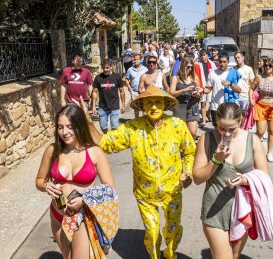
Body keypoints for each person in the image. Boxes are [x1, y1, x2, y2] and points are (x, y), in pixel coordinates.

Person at [75, 86, 196, 259]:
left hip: (173, 191)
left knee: (173, 228)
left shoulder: (177, 125)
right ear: (143, 106)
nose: (153, 107)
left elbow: (190, 151)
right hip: (144, 194)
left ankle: (170, 253)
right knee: (152, 232)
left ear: (164, 104)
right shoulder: (132, 128)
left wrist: (188, 172)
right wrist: (87, 120)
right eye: (149, 103)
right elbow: (104, 142)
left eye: (157, 102)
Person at [35, 104, 116, 258]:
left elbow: (110, 187)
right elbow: (39, 180)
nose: (64, 132)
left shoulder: (94, 152)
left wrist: (85, 199)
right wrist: (46, 186)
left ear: (79, 125)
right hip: (58, 215)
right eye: (60, 127)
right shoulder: (52, 151)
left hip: (82, 216)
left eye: (70, 127)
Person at [192, 102, 268, 258]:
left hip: (243, 210)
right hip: (215, 211)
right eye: (222, 128)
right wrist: (216, 159)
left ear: (240, 121)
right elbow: (197, 178)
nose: (226, 134)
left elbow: (264, 177)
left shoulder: (252, 140)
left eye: (231, 129)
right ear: (216, 123)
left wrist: (245, 180)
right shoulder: (207, 139)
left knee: (234, 255)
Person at [249, 59, 273, 162]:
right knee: (260, 131)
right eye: (266, 65)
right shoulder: (259, 77)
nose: (267, 67)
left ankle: (269, 153)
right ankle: (251, 147)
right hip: (261, 106)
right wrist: (251, 99)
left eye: (270, 65)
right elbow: (251, 89)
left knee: (272, 131)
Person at [203, 53, 241, 127]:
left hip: (229, 107)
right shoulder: (212, 74)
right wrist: (202, 90)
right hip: (215, 106)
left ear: (228, 62)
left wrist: (230, 84)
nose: (222, 64)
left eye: (224, 62)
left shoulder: (233, 73)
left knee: (229, 129)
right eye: (220, 62)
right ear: (218, 61)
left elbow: (239, 90)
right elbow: (208, 89)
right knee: (217, 129)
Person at [169, 57, 202, 139]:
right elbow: (171, 93)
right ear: (183, 66)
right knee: (180, 133)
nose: (190, 69)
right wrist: (184, 90)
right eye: (188, 67)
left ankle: (191, 150)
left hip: (193, 106)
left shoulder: (195, 77)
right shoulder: (176, 78)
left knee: (193, 132)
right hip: (180, 107)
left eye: (191, 67)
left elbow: (199, 93)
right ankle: (183, 150)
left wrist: (197, 93)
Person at [91, 59, 126, 133]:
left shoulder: (117, 77)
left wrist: (123, 105)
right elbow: (94, 92)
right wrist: (93, 106)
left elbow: (122, 91)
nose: (105, 70)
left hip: (114, 106)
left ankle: (112, 141)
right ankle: (106, 137)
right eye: (103, 68)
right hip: (102, 106)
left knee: (114, 127)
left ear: (111, 67)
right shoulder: (98, 78)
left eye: (107, 67)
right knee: (103, 127)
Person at [195, 49, 217, 128]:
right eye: (201, 55)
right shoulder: (197, 64)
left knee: (211, 103)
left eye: (204, 55)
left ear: (207, 55)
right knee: (203, 103)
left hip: (210, 86)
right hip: (202, 86)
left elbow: (215, 74)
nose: (203, 57)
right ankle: (204, 121)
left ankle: (208, 113)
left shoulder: (212, 64)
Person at [125, 53, 148, 118]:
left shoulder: (145, 69)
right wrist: (129, 87)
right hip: (134, 91)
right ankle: (137, 120)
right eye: (134, 59)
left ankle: (145, 121)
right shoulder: (130, 70)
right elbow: (126, 79)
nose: (135, 61)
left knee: (144, 107)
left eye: (137, 59)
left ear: (140, 60)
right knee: (136, 108)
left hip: (143, 91)